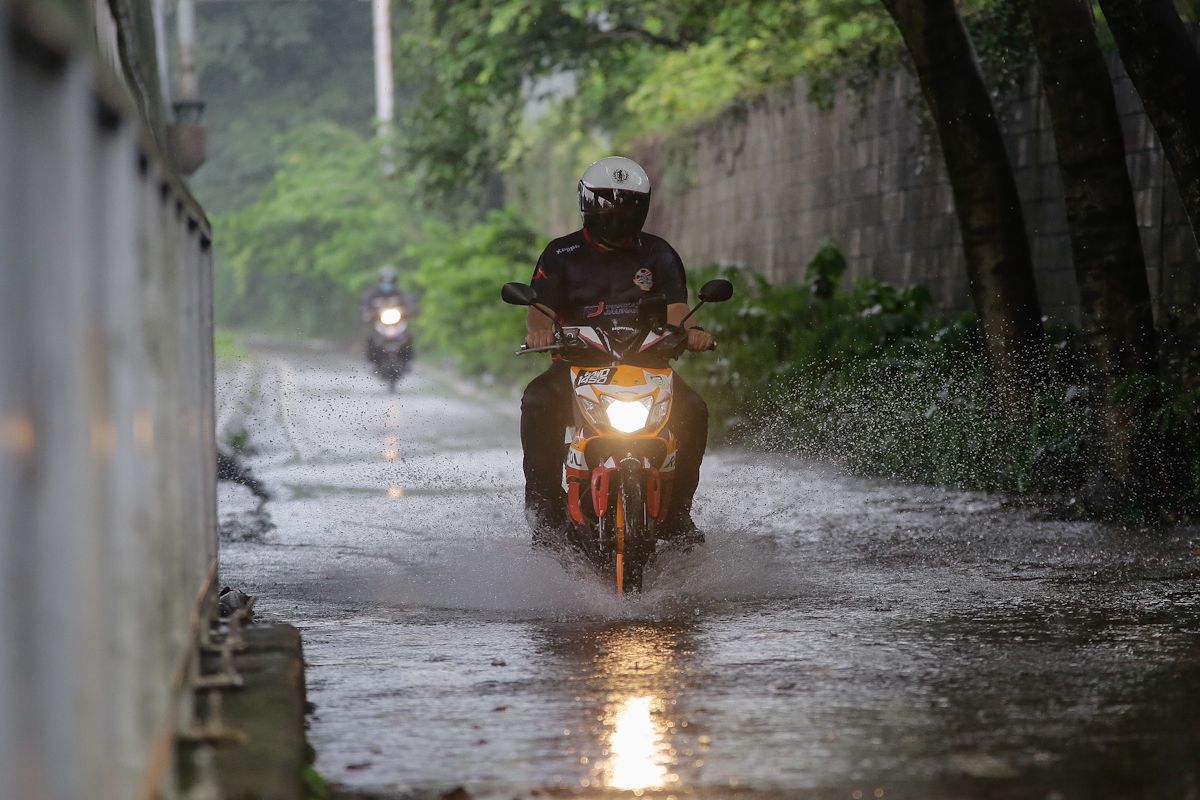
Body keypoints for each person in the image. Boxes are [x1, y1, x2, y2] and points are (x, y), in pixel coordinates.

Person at [520, 156, 715, 546]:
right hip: (578, 365)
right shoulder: (560, 254)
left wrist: (692, 333)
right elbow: (539, 316)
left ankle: (678, 513)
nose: (617, 213)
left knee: (693, 410)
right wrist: (541, 335)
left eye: (628, 204)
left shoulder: (658, 254)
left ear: (643, 207)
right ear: (588, 203)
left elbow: (678, 313)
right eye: (608, 203)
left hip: (648, 366)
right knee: (537, 401)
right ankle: (544, 509)